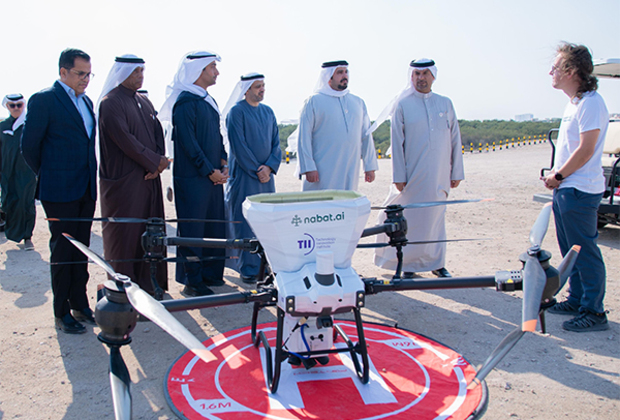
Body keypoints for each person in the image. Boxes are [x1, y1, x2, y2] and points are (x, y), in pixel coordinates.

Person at [21, 48, 97, 334]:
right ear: (63, 72)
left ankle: (80, 303)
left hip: (86, 190)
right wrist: (50, 174)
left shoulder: (87, 102)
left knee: (82, 250)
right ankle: (62, 311)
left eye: (89, 74)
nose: (85, 79)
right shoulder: (44, 100)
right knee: (63, 251)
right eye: (80, 74)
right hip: (59, 192)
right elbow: (29, 147)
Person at [373, 58, 464, 278]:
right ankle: (410, 265)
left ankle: (437, 263)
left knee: (435, 218)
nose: (421, 78)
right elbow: (397, 143)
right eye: (416, 74)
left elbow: (455, 139)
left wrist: (456, 172)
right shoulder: (403, 105)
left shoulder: (445, 103)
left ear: (433, 76)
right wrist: (399, 176)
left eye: (425, 74)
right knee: (410, 219)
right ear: (411, 76)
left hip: (440, 175)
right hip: (412, 176)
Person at [542, 43, 609, 332]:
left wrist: (558, 176)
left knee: (585, 250)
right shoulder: (575, 103)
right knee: (571, 249)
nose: (551, 73)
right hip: (568, 188)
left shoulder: (592, 102)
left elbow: (586, 149)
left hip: (579, 189)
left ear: (571, 71)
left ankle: (594, 312)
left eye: (556, 68)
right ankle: (577, 298)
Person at [97, 55, 169, 298]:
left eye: (142, 71)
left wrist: (159, 162)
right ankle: (123, 292)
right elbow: (125, 140)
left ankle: (150, 286)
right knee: (126, 237)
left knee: (151, 233)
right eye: (135, 71)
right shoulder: (110, 103)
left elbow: (158, 134)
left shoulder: (144, 102)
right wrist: (153, 162)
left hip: (149, 180)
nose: (140, 75)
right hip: (125, 185)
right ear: (121, 73)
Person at [159, 51, 228, 297]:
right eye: (212, 67)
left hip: (212, 177)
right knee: (193, 231)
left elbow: (217, 136)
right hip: (193, 179)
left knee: (213, 227)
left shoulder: (208, 100)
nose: (216, 72)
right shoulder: (185, 102)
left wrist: (223, 161)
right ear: (197, 71)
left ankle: (210, 274)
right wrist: (209, 170)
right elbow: (188, 143)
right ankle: (192, 281)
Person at [222, 73, 281, 283]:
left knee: (265, 222)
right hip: (245, 178)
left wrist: (270, 167)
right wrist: (257, 169)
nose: (261, 90)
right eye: (257, 86)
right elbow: (239, 146)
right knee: (244, 223)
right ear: (246, 89)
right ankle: (247, 268)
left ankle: (264, 266)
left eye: (263, 86)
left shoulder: (268, 112)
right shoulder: (236, 112)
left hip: (267, 179)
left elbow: (276, 143)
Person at [296, 60, 378, 191]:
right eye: (339, 72)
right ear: (329, 77)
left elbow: (366, 136)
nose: (344, 76)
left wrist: (369, 166)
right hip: (321, 171)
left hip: (350, 167)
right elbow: (303, 138)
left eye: (346, 72)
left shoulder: (358, 102)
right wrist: (308, 167)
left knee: (346, 203)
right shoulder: (314, 102)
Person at [0, 94, 36, 249]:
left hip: (26, 172)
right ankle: (13, 232)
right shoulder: (2, 126)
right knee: (8, 202)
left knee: (26, 202)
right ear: (7, 107)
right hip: (6, 171)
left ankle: (27, 236)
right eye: (12, 105)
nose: (16, 108)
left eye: (19, 105)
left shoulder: (30, 125)